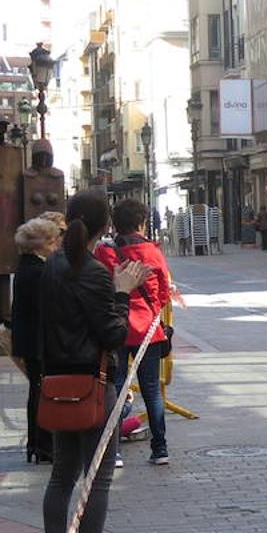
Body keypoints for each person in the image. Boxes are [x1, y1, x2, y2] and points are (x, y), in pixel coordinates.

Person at [39, 190, 150, 533]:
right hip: (93, 384)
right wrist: (123, 290)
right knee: (97, 480)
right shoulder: (94, 273)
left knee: (62, 476)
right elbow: (114, 334)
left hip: (56, 382)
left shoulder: (52, 266)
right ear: (104, 226)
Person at [98, 198, 174, 466]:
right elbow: (165, 291)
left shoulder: (105, 254)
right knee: (151, 389)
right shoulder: (153, 254)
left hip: (117, 329)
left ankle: (114, 450)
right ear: (141, 224)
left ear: (115, 225)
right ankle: (160, 448)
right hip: (148, 332)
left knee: (116, 388)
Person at [11, 216, 63, 464]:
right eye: (52, 242)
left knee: (38, 389)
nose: (56, 246)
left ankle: (38, 443)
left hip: (31, 339)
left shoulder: (28, 267)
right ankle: (43, 444)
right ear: (39, 245)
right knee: (42, 391)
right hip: (37, 341)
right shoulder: (36, 271)